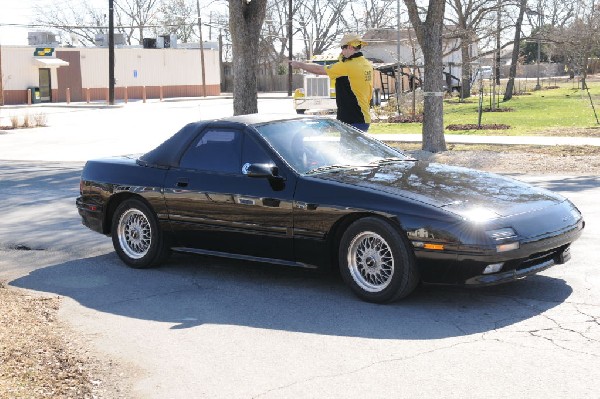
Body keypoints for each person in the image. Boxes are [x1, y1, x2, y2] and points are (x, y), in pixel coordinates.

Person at [289, 33, 373, 132]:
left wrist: (299, 64)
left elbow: (319, 70)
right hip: (363, 117)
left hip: (352, 119)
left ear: (350, 47)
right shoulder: (366, 64)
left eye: (342, 48)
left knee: (347, 147)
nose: (341, 51)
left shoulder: (347, 66)